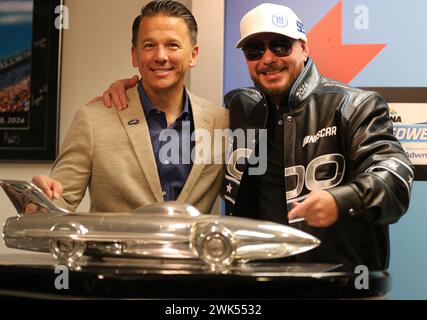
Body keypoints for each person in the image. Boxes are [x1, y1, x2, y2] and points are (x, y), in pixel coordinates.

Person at [99, 3, 414, 271]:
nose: (267, 58)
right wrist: (132, 90)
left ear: (304, 47)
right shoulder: (240, 106)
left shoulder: (353, 105)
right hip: (258, 281)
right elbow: (172, 101)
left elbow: (394, 178)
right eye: (255, 49)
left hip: (334, 281)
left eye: (280, 45)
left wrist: (343, 199)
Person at [32, 0, 228, 214]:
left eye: (172, 45)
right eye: (149, 45)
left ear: (193, 55)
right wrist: (38, 200)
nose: (161, 56)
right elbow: (57, 204)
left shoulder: (221, 122)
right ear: (135, 55)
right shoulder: (93, 120)